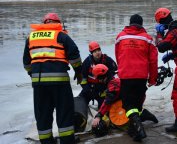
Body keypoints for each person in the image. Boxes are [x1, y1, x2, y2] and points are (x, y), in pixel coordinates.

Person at [23, 13, 82, 144]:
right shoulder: (61, 35)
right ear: (57, 23)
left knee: (42, 114)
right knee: (64, 112)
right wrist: (78, 71)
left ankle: (47, 141)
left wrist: (32, 73)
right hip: (60, 83)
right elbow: (75, 55)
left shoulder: (31, 37)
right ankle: (67, 140)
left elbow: (26, 63)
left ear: (44, 23)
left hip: (39, 85)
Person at [115, 14, 158, 141]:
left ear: (130, 23)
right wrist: (152, 79)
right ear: (141, 24)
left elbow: (118, 56)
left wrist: (122, 68)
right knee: (137, 105)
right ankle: (134, 128)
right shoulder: (148, 39)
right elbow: (153, 61)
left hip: (126, 75)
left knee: (128, 105)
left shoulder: (121, 37)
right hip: (141, 76)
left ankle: (138, 129)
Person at [79, 41, 118, 108]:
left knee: (104, 106)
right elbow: (82, 78)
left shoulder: (107, 60)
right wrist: (87, 89)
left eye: (98, 50)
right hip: (90, 88)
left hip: (103, 89)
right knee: (80, 101)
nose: (97, 53)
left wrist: (108, 82)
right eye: (95, 51)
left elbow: (115, 72)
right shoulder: (87, 62)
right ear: (91, 53)